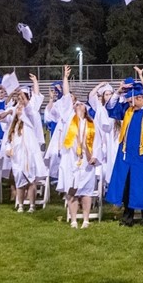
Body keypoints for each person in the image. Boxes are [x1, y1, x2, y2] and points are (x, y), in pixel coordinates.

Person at [46, 66, 107, 228]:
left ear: (86, 109)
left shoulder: (91, 124)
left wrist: (95, 156)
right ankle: (73, 220)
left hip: (87, 162)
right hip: (70, 160)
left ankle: (86, 219)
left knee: (86, 191)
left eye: (81, 105)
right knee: (71, 190)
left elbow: (98, 143)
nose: (78, 106)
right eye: (76, 105)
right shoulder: (68, 118)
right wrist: (65, 77)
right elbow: (66, 96)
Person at [105, 69, 143, 225]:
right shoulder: (128, 110)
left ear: (140, 97)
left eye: (130, 99)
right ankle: (128, 218)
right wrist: (119, 91)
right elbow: (111, 109)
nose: (128, 102)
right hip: (126, 155)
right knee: (127, 186)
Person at [0, 74, 46, 212]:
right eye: (18, 100)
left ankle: (31, 205)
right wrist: (8, 148)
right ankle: (20, 204)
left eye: (22, 99)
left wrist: (23, 90)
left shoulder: (31, 115)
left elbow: (28, 106)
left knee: (31, 179)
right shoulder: (14, 117)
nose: (20, 103)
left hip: (30, 150)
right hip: (17, 152)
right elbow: (9, 134)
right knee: (19, 178)